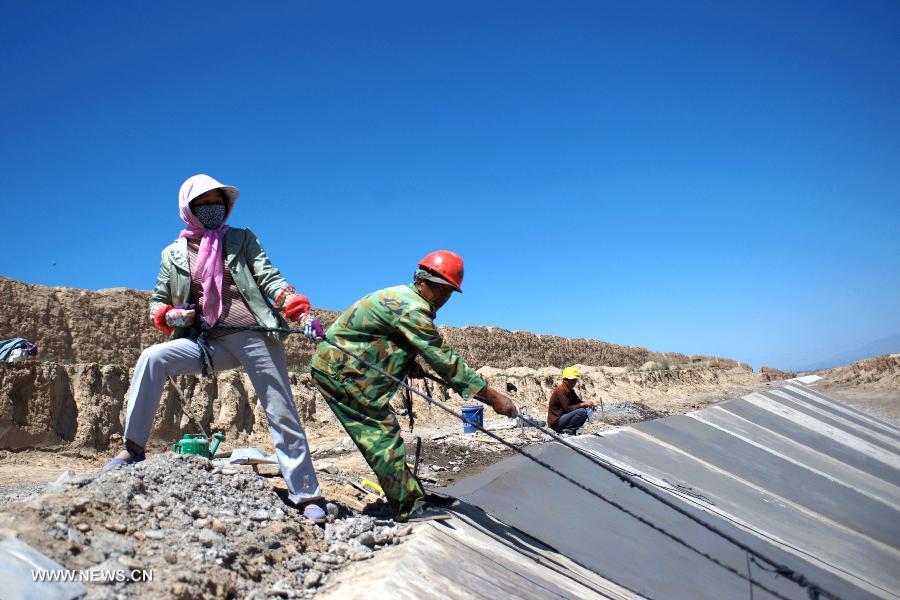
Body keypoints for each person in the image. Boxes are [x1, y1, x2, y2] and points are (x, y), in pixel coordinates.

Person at [105, 174, 327, 523]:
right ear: (189, 209)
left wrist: (299, 312)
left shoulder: (240, 239)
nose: (212, 209)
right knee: (152, 357)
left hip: (254, 335)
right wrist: (171, 314)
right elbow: (158, 302)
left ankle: (306, 493)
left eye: (218, 202)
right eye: (204, 204)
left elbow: (269, 277)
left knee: (279, 408)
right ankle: (132, 448)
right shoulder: (173, 254)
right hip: (206, 341)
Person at [310, 251, 518, 522]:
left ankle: (413, 495)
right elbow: (444, 358)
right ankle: (409, 506)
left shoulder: (402, 297)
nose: (445, 299)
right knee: (381, 437)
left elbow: (381, 337)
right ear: (425, 282)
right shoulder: (412, 308)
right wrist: (492, 397)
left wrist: (406, 363)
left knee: (386, 433)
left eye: (449, 293)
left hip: (344, 368)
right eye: (444, 291)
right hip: (340, 373)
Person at [547, 367, 596, 435]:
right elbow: (568, 409)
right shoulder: (561, 390)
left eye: (575, 380)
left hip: (563, 418)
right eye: (572, 380)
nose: (574, 382)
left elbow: (578, 402)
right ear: (565, 380)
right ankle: (568, 431)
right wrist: (583, 404)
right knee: (582, 412)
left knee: (587, 410)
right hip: (556, 422)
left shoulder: (569, 390)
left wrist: (588, 404)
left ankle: (571, 430)